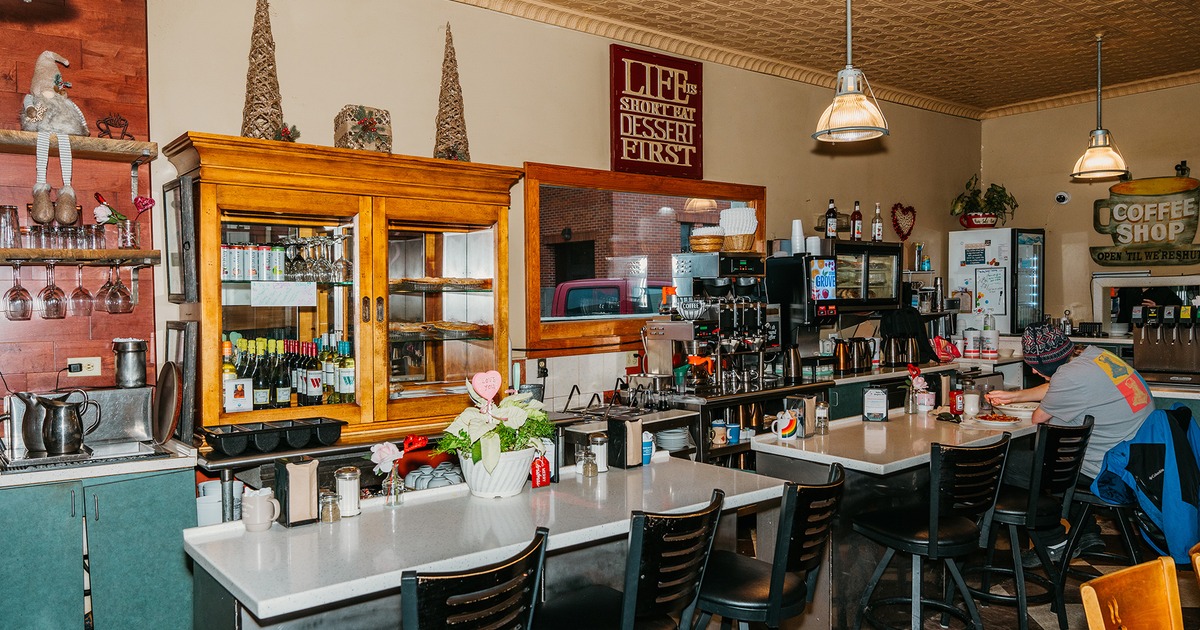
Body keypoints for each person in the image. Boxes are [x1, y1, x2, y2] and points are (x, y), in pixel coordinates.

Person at [986, 324, 1154, 566]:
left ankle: (1053, 541)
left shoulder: (1069, 376)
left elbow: (1038, 418)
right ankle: (1087, 533)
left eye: (1035, 367)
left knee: (1009, 462)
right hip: (1137, 459)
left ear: (1047, 366)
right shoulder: (1095, 356)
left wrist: (1026, 400)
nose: (1033, 372)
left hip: (1113, 470)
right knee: (1060, 456)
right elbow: (1059, 385)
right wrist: (1014, 396)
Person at [1115, 286, 1183, 324]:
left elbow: (1177, 308)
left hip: (1153, 331)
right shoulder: (1128, 289)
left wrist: (1158, 309)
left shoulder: (1163, 290)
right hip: (1126, 332)